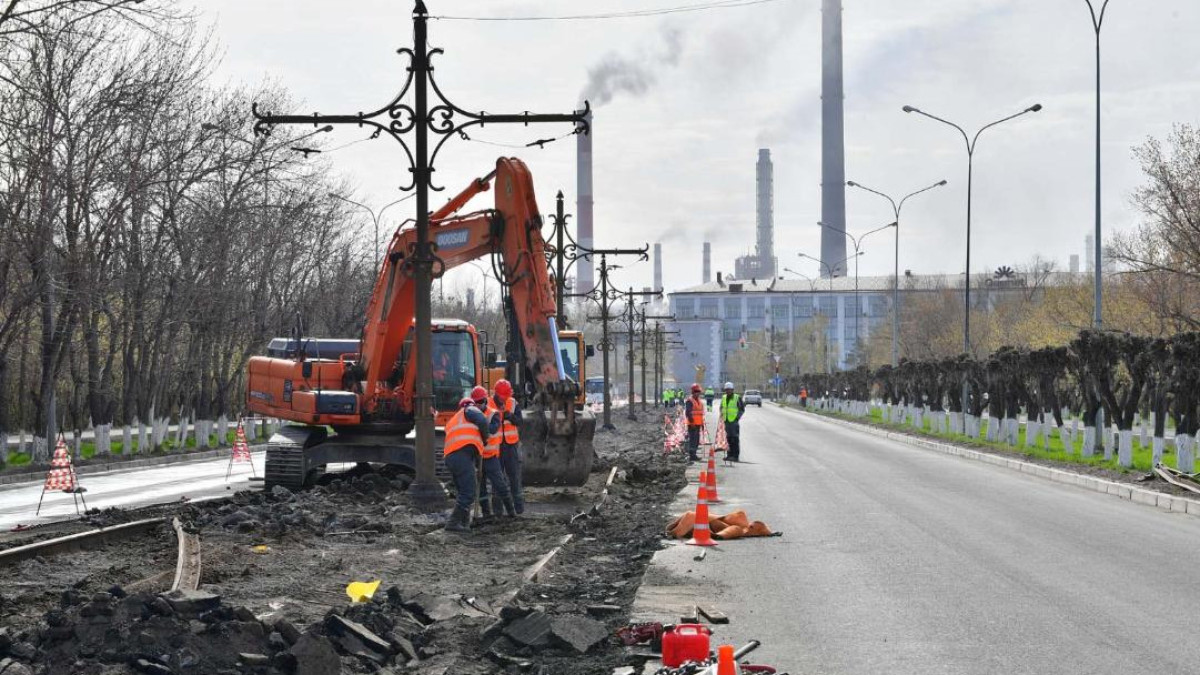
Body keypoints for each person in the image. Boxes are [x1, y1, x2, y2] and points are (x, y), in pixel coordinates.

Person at [442, 393, 497, 532]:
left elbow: (466, 443)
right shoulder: (469, 409)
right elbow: (483, 421)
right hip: (461, 456)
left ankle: (464, 522)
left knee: (463, 491)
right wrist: (485, 438)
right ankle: (453, 523)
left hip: (452, 457)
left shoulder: (454, 420)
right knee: (469, 491)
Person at [476, 385, 515, 520]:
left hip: (491, 457)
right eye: (476, 402)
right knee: (480, 489)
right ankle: (486, 513)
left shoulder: (493, 414)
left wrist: (479, 424)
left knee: (500, 485)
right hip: (478, 457)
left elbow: (492, 430)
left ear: (485, 401)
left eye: (480, 401)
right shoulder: (471, 414)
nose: (478, 405)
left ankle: (511, 512)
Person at [492, 379, 524, 515]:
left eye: (506, 396)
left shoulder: (512, 403)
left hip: (511, 446)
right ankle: (498, 511)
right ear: (497, 394)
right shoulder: (489, 403)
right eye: (502, 397)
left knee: (515, 478)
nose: (504, 399)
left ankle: (519, 509)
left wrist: (510, 416)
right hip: (496, 447)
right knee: (497, 481)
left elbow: (519, 421)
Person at [720, 381, 746, 462]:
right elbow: (721, 407)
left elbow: (741, 409)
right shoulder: (723, 397)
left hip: (733, 422)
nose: (728, 391)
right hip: (726, 421)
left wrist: (737, 418)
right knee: (728, 439)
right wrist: (721, 414)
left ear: (732, 390)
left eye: (729, 389)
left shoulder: (737, 397)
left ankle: (735, 456)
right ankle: (729, 455)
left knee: (734, 439)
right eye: (726, 390)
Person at [685, 383, 706, 462]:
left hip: (698, 424)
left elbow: (700, 414)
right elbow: (688, 413)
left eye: (698, 391)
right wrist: (692, 423)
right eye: (696, 391)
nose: (697, 393)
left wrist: (702, 424)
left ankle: (694, 454)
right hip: (692, 424)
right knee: (693, 440)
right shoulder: (689, 401)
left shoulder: (699, 401)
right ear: (692, 392)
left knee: (696, 440)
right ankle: (692, 455)